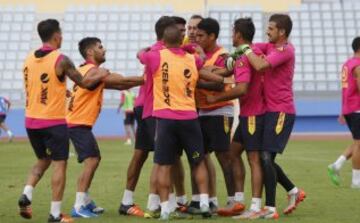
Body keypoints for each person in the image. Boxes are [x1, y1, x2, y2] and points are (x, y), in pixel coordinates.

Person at [18, 19, 108, 223]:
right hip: (53, 121)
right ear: (57, 36)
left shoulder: (28, 58)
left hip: (31, 120)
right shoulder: (62, 60)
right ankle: (55, 214)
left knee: (43, 160)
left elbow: (38, 85)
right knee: (60, 165)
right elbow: (84, 83)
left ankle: (27, 193)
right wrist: (102, 72)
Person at [142, 24, 225, 220]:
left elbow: (140, 54)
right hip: (190, 118)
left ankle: (164, 209)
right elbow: (202, 62)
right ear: (182, 41)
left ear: (163, 41)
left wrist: (151, 49)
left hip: (165, 119)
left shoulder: (155, 56)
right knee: (198, 161)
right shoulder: (193, 59)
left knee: (164, 165)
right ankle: (204, 202)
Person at [235, 14, 306, 219]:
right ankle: (293, 192)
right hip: (268, 111)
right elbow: (252, 46)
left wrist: (245, 49)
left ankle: (271, 207)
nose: (267, 31)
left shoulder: (285, 50)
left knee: (265, 157)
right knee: (265, 158)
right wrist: (237, 51)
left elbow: (259, 65)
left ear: (282, 32)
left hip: (282, 111)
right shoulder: (270, 47)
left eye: (271, 28)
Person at [67, 37, 144, 218]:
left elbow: (120, 84)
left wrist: (142, 81)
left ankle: (85, 201)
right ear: (90, 52)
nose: (105, 50)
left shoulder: (87, 71)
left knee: (95, 158)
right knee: (92, 160)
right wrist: (146, 79)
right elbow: (122, 81)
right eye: (100, 47)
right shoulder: (94, 72)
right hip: (77, 123)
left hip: (77, 123)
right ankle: (78, 206)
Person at [206, 17, 265, 219]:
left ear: (238, 35)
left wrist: (217, 97)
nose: (231, 36)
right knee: (233, 153)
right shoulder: (246, 53)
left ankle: (256, 206)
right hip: (249, 114)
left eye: (232, 32)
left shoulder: (243, 56)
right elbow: (224, 71)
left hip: (254, 115)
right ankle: (238, 202)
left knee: (254, 159)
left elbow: (241, 88)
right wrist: (203, 70)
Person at [119, 16, 176, 218]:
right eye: (180, 29)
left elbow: (141, 54)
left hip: (141, 105)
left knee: (141, 153)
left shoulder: (152, 50)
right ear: (168, 32)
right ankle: (158, 203)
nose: (183, 33)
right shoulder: (165, 52)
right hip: (154, 108)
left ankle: (127, 200)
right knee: (164, 156)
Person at [193, 17, 241, 216]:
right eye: (195, 35)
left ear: (212, 36)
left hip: (220, 110)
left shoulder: (223, 55)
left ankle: (233, 201)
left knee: (224, 156)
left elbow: (220, 84)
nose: (197, 39)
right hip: (202, 110)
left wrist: (194, 82)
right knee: (201, 157)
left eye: (201, 36)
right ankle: (210, 200)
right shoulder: (199, 54)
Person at [328, 36, 360, 189]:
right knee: (359, 144)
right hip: (357, 109)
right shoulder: (358, 65)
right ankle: (356, 182)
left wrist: (343, 110)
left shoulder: (347, 64)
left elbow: (345, 89)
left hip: (349, 108)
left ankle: (337, 165)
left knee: (357, 142)